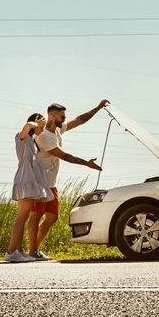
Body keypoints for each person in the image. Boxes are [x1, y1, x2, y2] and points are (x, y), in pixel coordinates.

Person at [28, 100, 110, 260]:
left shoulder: (57, 130)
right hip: (39, 182)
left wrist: (98, 107)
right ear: (51, 115)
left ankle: (34, 250)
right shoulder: (44, 136)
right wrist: (87, 163)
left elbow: (80, 120)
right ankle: (32, 251)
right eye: (61, 116)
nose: (64, 119)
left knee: (52, 217)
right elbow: (64, 156)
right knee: (36, 216)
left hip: (50, 182)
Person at [5, 113, 55, 263]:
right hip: (24, 181)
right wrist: (36, 124)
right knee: (21, 217)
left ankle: (18, 250)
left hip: (29, 182)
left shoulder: (31, 141)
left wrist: (38, 125)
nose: (42, 129)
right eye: (42, 126)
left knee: (23, 217)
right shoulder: (22, 137)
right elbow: (27, 126)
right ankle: (12, 252)